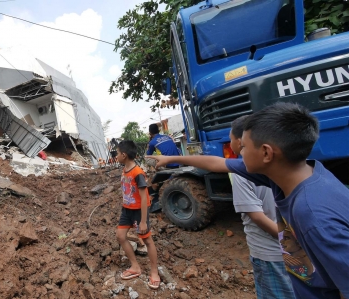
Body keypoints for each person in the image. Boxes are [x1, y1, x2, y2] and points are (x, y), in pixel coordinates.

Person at [146, 103, 349, 299]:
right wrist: (174, 161)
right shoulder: (291, 173)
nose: (239, 153)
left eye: (244, 147)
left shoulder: (313, 216)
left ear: (266, 153)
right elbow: (217, 163)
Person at [229, 115, 295, 299]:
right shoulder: (282, 161)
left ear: (240, 141)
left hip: (269, 253)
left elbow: (257, 217)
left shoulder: (242, 171)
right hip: (294, 251)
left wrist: (288, 241)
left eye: (231, 138)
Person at [115, 140, 160, 290]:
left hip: (138, 211)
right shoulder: (125, 170)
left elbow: (144, 198)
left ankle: (154, 273)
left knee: (147, 241)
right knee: (120, 236)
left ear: (124, 155)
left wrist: (143, 221)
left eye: (117, 153)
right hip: (126, 210)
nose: (115, 156)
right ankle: (135, 267)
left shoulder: (138, 173)